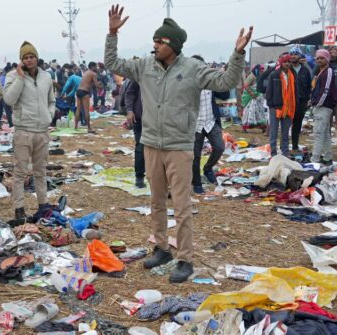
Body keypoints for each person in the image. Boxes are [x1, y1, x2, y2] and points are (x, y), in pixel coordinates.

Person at [104, 4, 251, 282]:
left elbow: (226, 80)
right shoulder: (145, 65)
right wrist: (112, 34)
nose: (155, 45)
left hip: (180, 147)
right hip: (151, 145)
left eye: (160, 41)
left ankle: (185, 259)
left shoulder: (193, 69)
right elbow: (113, 64)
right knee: (156, 201)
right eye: (154, 41)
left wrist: (238, 53)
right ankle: (162, 248)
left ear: (173, 44)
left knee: (181, 207)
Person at [3, 41, 55, 220]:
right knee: (20, 172)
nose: (29, 60)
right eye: (25, 57)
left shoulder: (46, 77)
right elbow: (9, 100)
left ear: (37, 58)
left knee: (41, 171)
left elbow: (51, 100)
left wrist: (49, 115)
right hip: (23, 131)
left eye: (32, 56)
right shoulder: (12, 76)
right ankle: (19, 208)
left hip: (42, 131)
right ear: (21, 60)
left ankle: (43, 205)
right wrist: (20, 78)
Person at [190, 55, 230, 194]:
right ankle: (196, 182)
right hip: (194, 124)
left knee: (219, 147)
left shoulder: (211, 81)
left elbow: (224, 95)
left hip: (210, 121)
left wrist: (222, 76)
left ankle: (208, 169)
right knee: (195, 155)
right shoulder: (186, 83)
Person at [265, 54, 296, 156]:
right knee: (273, 132)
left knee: (285, 133)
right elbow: (269, 91)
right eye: (285, 62)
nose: (287, 63)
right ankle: (273, 154)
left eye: (288, 62)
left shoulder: (292, 75)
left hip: (288, 107)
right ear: (281, 63)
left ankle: (285, 153)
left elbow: (295, 91)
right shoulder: (274, 75)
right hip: (275, 107)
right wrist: (271, 104)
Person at [310, 49, 337, 164]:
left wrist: (318, 103)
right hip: (320, 105)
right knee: (324, 133)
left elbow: (326, 90)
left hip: (324, 106)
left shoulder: (328, 71)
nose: (319, 60)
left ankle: (315, 158)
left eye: (322, 58)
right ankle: (327, 157)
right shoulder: (320, 72)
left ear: (327, 59)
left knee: (318, 133)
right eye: (318, 58)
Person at [288, 46, 312, 152]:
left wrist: (307, 100)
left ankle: (295, 145)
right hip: (288, 101)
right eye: (291, 54)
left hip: (301, 101)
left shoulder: (305, 70)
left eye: (295, 54)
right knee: (286, 124)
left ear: (300, 56)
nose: (293, 56)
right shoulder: (287, 69)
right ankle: (284, 145)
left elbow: (308, 86)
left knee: (297, 124)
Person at [124, 79, 146, 188]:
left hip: (160, 120)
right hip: (141, 118)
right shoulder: (141, 71)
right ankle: (139, 177)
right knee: (141, 147)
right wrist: (130, 110)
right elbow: (130, 93)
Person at [75, 62, 101, 132]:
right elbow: (96, 85)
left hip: (79, 91)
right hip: (85, 92)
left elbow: (88, 83)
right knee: (86, 110)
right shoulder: (93, 74)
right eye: (95, 66)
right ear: (92, 67)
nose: (96, 68)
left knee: (78, 109)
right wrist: (100, 85)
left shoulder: (86, 72)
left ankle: (75, 126)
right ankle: (89, 127)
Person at [0, 64, 14, 129]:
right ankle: (11, 125)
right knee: (8, 111)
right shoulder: (6, 78)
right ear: (8, 71)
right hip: (4, 96)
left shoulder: (0, 77)